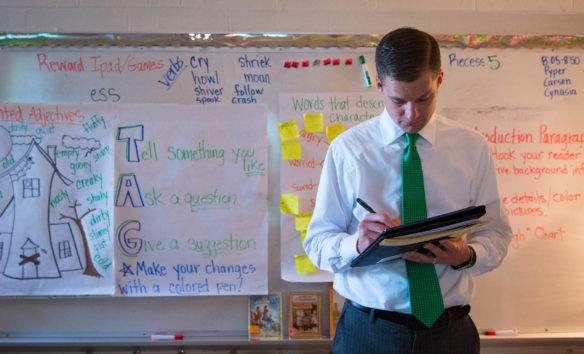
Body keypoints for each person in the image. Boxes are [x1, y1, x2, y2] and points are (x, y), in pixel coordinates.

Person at [304, 27, 512, 354]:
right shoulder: (348, 150)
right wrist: (356, 244)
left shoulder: (472, 148)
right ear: (379, 85)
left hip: (450, 333)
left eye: (424, 98)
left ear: (439, 79)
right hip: (370, 334)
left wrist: (467, 255)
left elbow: (496, 233)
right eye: (398, 101)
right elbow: (316, 243)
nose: (411, 114)